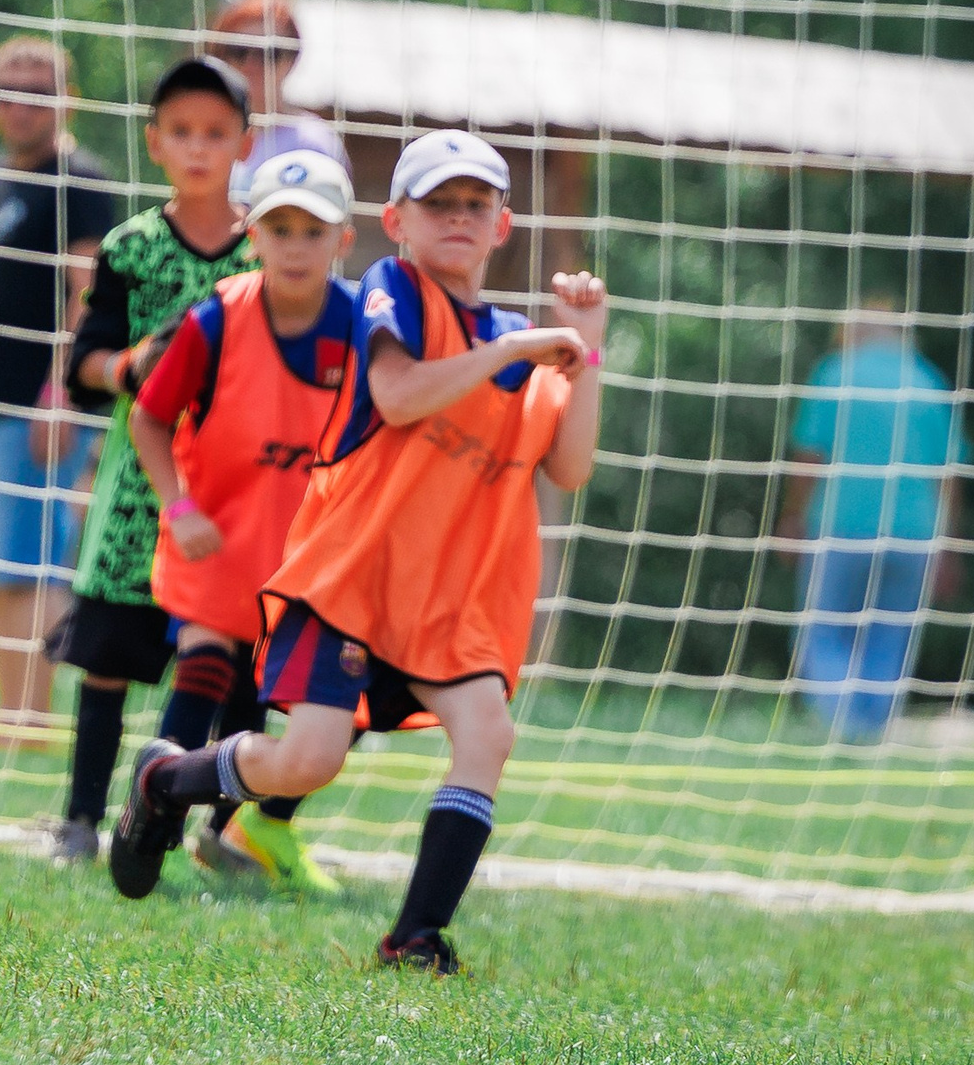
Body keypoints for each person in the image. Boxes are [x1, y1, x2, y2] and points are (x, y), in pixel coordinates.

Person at [108, 131, 606, 975]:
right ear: (396, 221)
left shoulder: (517, 340)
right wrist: (513, 350)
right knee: (309, 759)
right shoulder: (395, 289)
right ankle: (166, 783)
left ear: (502, 225)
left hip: (447, 601)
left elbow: (570, 465)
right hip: (351, 580)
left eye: (475, 204)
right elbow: (398, 395)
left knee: (488, 732)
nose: (457, 217)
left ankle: (414, 937)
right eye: (437, 203)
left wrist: (587, 348)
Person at [116, 147, 360, 899]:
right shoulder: (217, 319)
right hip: (218, 534)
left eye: (313, 230)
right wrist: (178, 504)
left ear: (344, 239)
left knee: (332, 696)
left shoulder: (363, 327)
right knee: (206, 666)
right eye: (279, 228)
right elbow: (148, 417)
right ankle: (153, 818)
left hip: (309, 553)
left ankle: (232, 831)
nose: (295, 246)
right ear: (251, 235)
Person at [44, 55, 256, 864]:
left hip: (237, 490)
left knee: (236, 664)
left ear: (244, 142)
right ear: (154, 141)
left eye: (215, 132)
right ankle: (81, 820)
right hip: (139, 488)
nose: (198, 147)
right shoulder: (130, 246)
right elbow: (85, 365)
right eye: (181, 131)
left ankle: (214, 829)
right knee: (107, 660)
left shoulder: (266, 250)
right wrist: (134, 366)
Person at [0, 37, 118, 732]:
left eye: (37, 93)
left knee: (35, 564)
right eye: (7, 91)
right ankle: (10, 714)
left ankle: (33, 719)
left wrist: (60, 396)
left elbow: (87, 295)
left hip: (41, 410)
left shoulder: (81, 182)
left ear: (68, 100)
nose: (19, 106)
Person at [773, 296, 967, 742]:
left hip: (840, 524)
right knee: (891, 636)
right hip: (915, 532)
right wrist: (949, 546)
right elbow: (949, 476)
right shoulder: (928, 381)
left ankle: (842, 729)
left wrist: (793, 518)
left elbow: (809, 458)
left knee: (823, 630)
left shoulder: (835, 374)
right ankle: (872, 734)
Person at [211, 0, 345, 205]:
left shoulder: (313, 141)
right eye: (238, 51)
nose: (251, 64)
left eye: (268, 53)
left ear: (292, 59)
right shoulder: (206, 132)